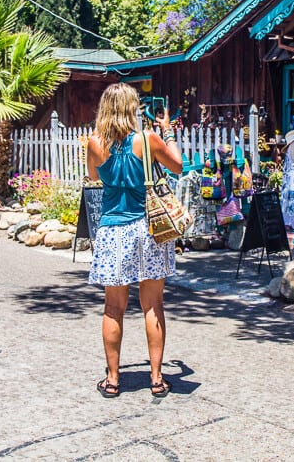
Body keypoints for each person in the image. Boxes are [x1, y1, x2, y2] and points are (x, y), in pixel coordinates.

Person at [86, 83, 183, 398]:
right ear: (132, 109)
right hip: (148, 228)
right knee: (152, 304)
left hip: (113, 229)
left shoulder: (94, 143)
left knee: (113, 307)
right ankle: (156, 378)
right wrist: (166, 132)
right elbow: (178, 166)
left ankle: (113, 379)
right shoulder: (147, 139)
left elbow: (95, 177)